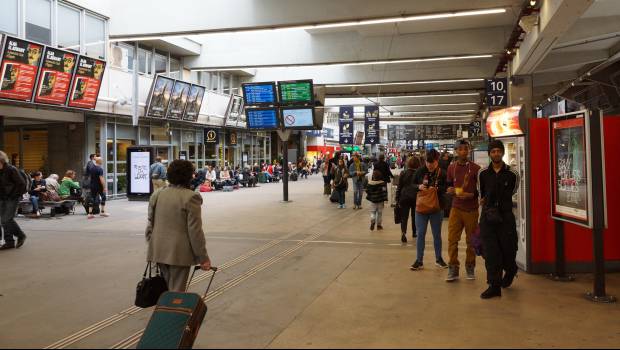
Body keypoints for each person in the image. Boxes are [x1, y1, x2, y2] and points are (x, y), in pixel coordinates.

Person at [145, 160, 212, 291]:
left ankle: (165, 310)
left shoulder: (158, 194)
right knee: (176, 293)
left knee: (167, 290)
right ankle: (169, 311)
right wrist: (203, 258)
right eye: (192, 174)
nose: (194, 176)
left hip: (158, 250)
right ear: (187, 176)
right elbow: (195, 231)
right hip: (178, 253)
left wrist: (152, 244)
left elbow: (150, 222)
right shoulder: (191, 197)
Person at [478, 140, 520, 299]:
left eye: (498, 151)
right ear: (489, 154)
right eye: (493, 151)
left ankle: (511, 270)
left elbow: (514, 190)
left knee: (508, 249)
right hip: (488, 217)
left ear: (502, 153)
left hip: (505, 217)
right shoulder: (482, 173)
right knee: (491, 252)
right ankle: (494, 285)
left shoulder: (512, 173)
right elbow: (481, 193)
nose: (496, 154)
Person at [445, 140, 481, 282]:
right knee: (452, 240)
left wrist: (472, 195)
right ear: (456, 151)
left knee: (471, 241)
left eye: (465, 149)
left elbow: (481, 190)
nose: (463, 152)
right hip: (456, 208)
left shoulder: (476, 169)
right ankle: (453, 268)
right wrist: (450, 190)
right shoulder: (451, 168)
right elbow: (448, 186)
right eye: (460, 149)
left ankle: (470, 266)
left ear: (469, 150)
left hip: (471, 209)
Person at [410, 149, 448, 271]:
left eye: (432, 162)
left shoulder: (442, 173)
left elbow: (447, 187)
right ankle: (419, 260)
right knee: (420, 234)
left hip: (437, 208)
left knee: (437, 234)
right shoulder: (420, 171)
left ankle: (439, 259)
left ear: (437, 161)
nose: (430, 165)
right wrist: (418, 186)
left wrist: (437, 189)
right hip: (421, 208)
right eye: (427, 162)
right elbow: (411, 185)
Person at [0, 151, 27, 250]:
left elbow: (22, 184)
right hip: (2, 198)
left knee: (6, 219)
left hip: (12, 198)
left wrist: (13, 195)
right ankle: (9, 242)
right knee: (4, 221)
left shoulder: (11, 169)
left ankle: (20, 235)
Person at [395, 156, 422, 243]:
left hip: (404, 197)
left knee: (404, 216)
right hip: (415, 197)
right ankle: (414, 232)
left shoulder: (403, 173)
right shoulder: (419, 174)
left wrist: (397, 198)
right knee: (415, 216)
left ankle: (403, 233)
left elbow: (399, 187)